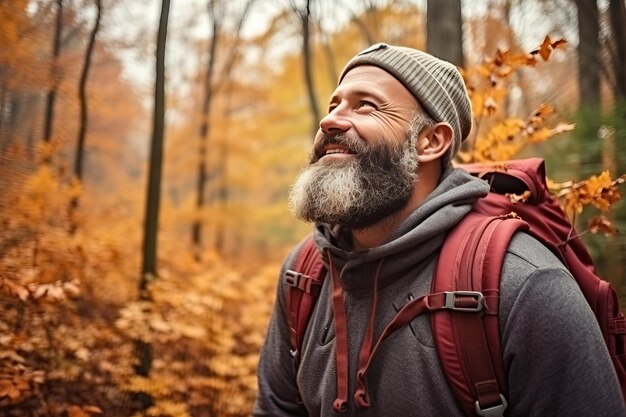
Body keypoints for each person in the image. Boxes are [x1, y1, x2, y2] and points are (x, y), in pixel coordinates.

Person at [253, 43, 625, 417]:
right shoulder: (305, 272)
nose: (329, 120)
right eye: (334, 105)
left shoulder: (522, 283)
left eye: (366, 105)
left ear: (430, 142)